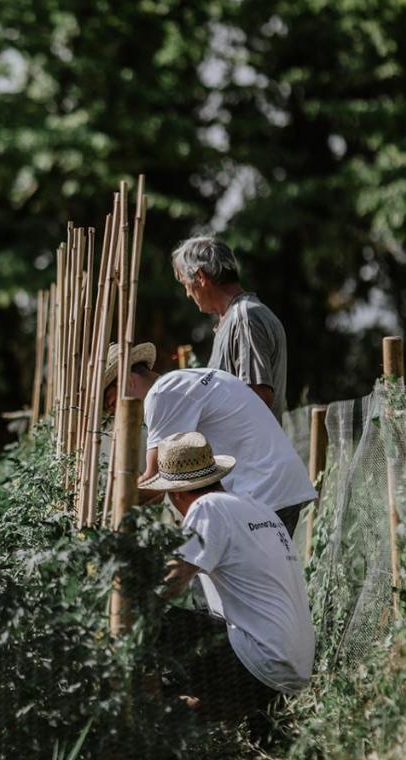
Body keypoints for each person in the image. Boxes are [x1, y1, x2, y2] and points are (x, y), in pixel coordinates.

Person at [145, 431, 314, 730]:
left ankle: (157, 724)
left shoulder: (207, 508)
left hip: (260, 667)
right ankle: (225, 713)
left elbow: (170, 584)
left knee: (161, 624)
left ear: (177, 494)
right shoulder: (256, 507)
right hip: (293, 671)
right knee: (198, 624)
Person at [102, 342, 316, 536]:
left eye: (112, 404)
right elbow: (167, 485)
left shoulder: (160, 395)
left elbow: (156, 478)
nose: (115, 415)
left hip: (261, 490)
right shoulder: (182, 382)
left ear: (129, 381)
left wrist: (107, 509)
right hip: (275, 483)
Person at [171, 236, 288, 421]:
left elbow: (257, 397)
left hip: (249, 450)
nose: (187, 293)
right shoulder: (234, 318)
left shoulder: (244, 318)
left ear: (200, 277)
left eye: (186, 284)